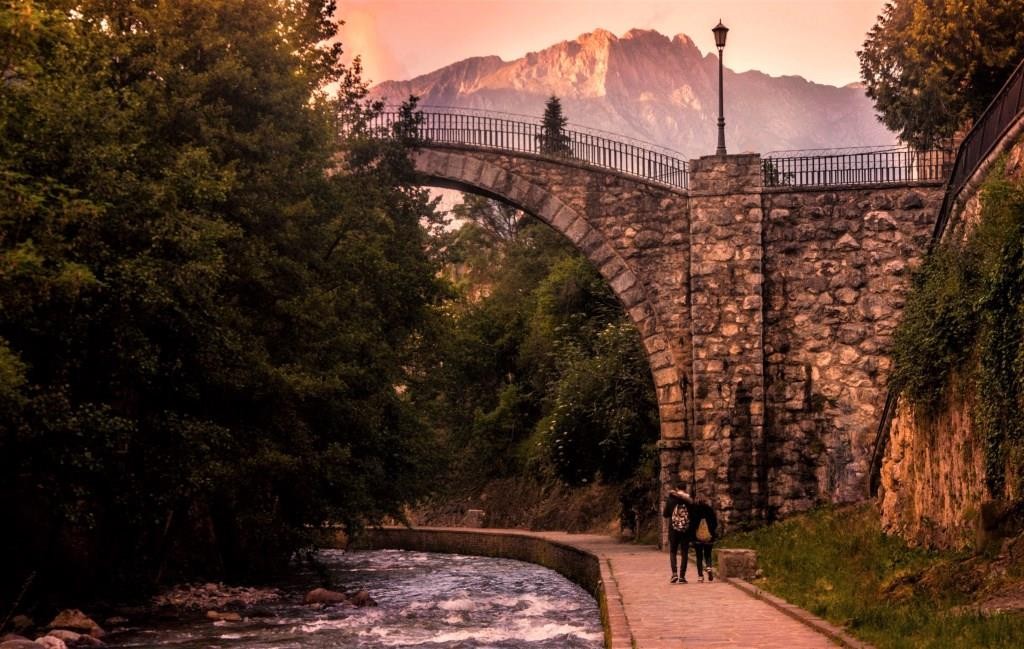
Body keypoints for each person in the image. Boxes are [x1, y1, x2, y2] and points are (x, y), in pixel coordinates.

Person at [661, 479, 695, 584]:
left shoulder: (671, 499)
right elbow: (693, 515)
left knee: (673, 551)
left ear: (676, 488)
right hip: (685, 529)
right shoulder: (689, 500)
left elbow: (665, 514)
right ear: (685, 488)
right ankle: (682, 577)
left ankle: (674, 573)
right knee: (684, 552)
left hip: (674, 529)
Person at [690, 496, 719, 583]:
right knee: (708, 554)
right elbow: (715, 523)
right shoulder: (710, 510)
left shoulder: (695, 510)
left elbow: (692, 525)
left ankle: (700, 576)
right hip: (708, 537)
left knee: (699, 556)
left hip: (697, 538)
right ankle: (709, 567)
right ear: (706, 501)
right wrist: (711, 531)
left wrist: (692, 536)